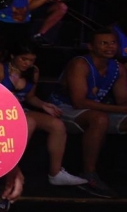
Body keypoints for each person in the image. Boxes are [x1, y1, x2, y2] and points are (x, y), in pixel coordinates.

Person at [0, 41, 86, 186]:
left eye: (31, 60)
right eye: (24, 59)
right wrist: (5, 97)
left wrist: (43, 105)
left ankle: (56, 173)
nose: (27, 63)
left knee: (57, 125)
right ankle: (8, 167)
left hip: (20, 110)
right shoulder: (0, 68)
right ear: (13, 56)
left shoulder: (33, 71)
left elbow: (29, 97)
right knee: (29, 122)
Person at [49, 28, 127, 198]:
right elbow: (79, 102)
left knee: (101, 117)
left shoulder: (118, 68)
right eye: (104, 43)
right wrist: (120, 109)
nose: (110, 47)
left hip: (94, 108)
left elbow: (122, 100)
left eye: (113, 43)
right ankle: (89, 174)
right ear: (91, 46)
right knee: (99, 119)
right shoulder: (80, 64)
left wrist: (122, 108)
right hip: (64, 109)